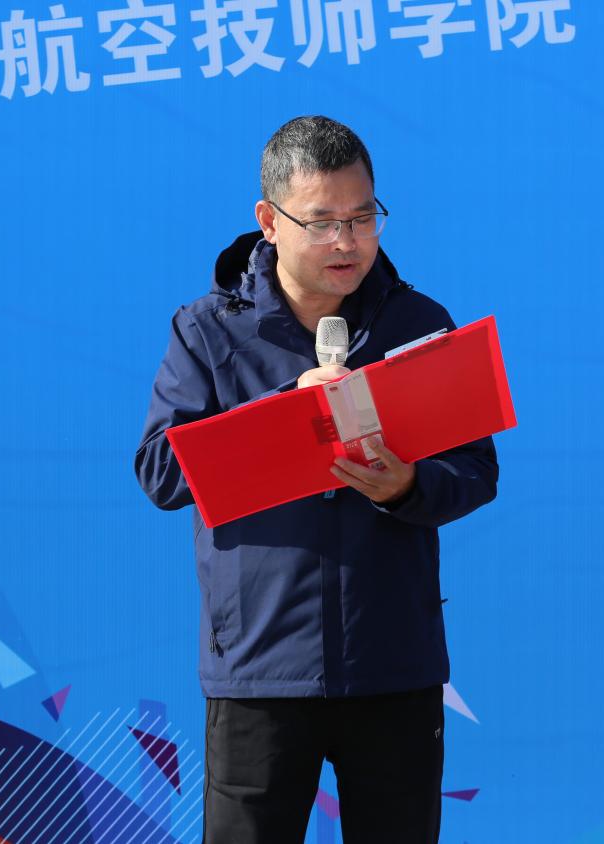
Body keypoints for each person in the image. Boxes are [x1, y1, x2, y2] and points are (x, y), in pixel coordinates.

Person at [133, 115, 499, 844]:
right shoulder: (207, 331)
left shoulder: (418, 323)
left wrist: (406, 487)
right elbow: (161, 473)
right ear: (269, 221)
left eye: (363, 218)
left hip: (392, 661)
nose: (346, 242)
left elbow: (474, 471)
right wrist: (284, 414)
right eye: (323, 222)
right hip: (261, 666)